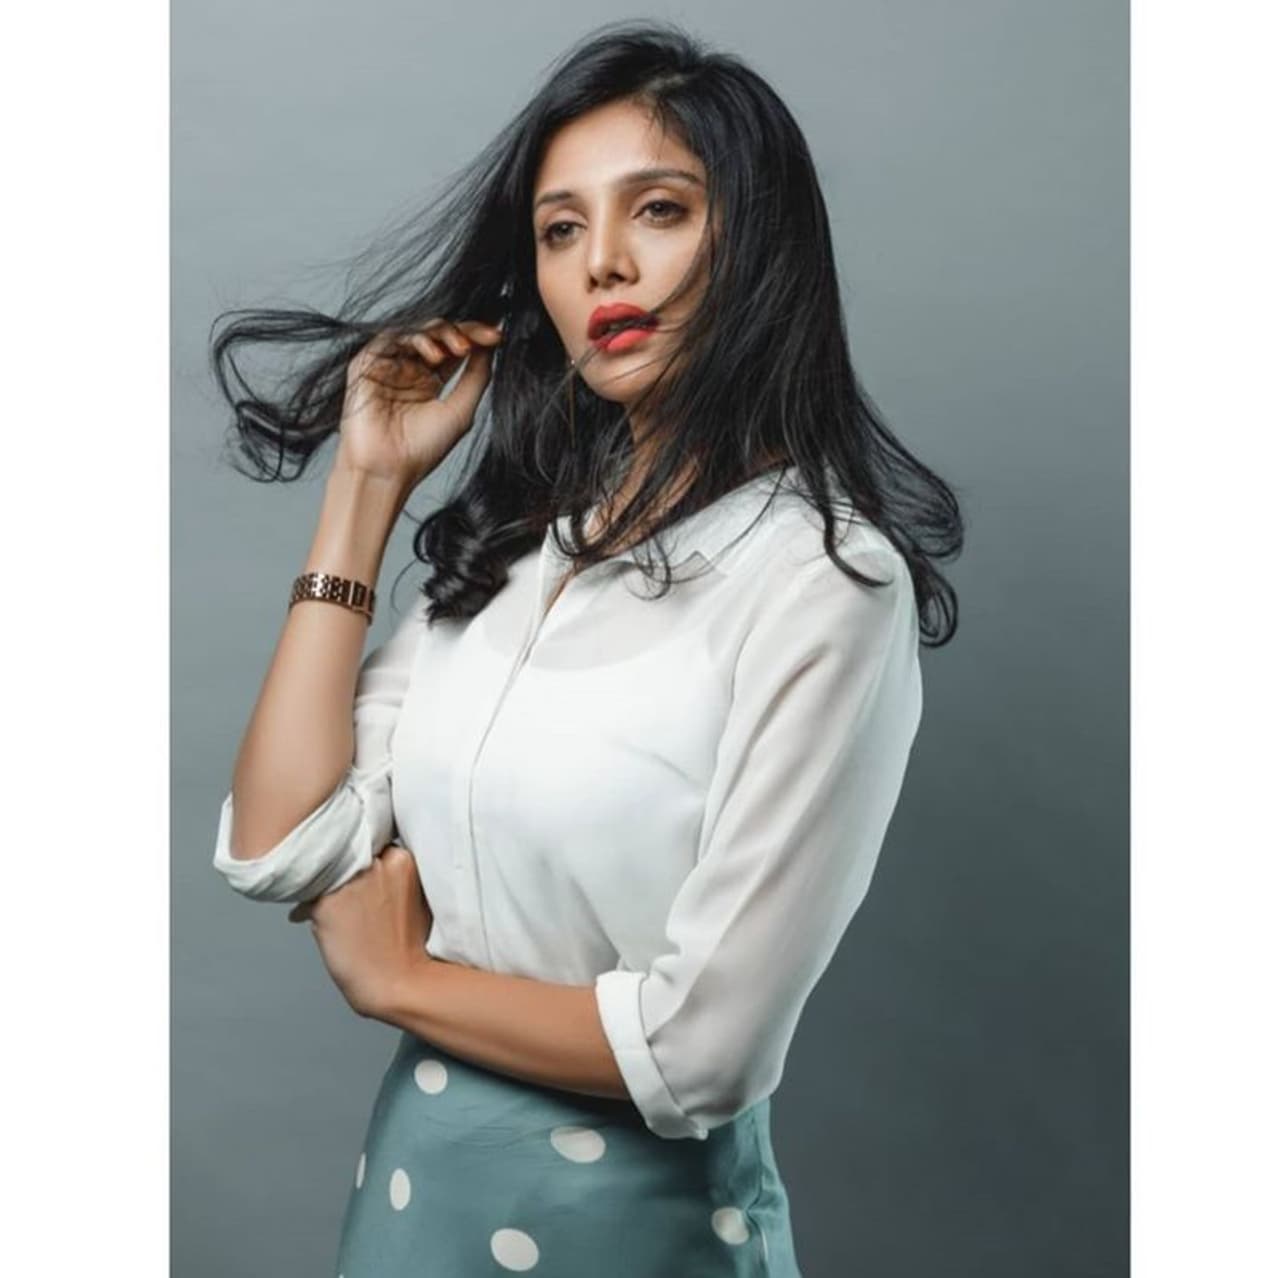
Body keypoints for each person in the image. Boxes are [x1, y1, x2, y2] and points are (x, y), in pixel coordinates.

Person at [208, 19, 963, 1276]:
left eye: (657, 210)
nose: (602, 262)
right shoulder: (519, 555)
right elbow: (279, 843)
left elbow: (703, 1053)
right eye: (560, 231)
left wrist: (400, 983)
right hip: (410, 1209)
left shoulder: (822, 585)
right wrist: (366, 487)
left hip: (636, 1235)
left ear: (757, 242)